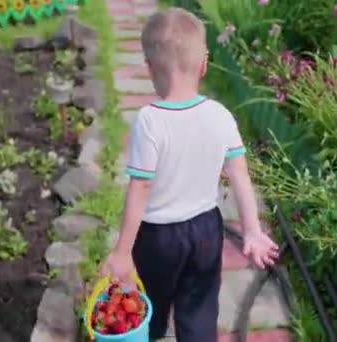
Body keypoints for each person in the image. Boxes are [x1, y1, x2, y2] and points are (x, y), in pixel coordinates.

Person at [100, 7, 279, 342]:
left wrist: (123, 252)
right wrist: (252, 230)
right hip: (206, 233)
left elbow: (141, 185)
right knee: (198, 311)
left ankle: (147, 335)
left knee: (148, 303)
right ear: (204, 65)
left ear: (150, 69)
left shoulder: (150, 120)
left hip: (158, 239)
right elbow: (239, 173)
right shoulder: (220, 115)